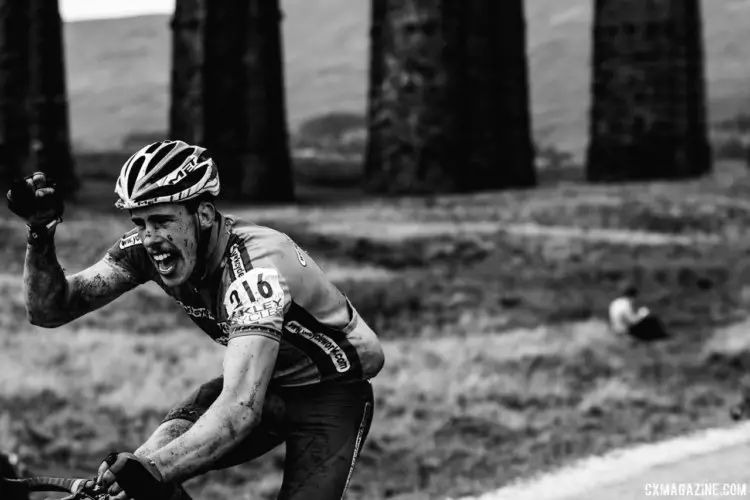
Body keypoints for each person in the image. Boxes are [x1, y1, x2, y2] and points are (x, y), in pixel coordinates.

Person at [7, 139, 386, 500]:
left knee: (149, 470)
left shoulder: (255, 271)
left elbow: (239, 411)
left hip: (333, 391)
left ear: (203, 214)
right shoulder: (149, 251)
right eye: (140, 223)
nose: (150, 238)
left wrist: (152, 470)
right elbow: (50, 309)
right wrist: (40, 233)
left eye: (161, 220)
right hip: (268, 382)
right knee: (140, 470)